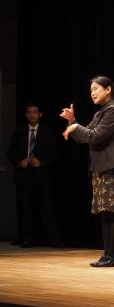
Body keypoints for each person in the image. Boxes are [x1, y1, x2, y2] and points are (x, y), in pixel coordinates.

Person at [60, 76, 114, 268]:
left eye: (96, 88)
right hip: (101, 168)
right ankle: (106, 254)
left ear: (108, 89)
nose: (92, 92)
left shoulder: (113, 111)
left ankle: (112, 255)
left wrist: (75, 126)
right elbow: (85, 136)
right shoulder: (101, 113)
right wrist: (73, 121)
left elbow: (95, 136)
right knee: (104, 212)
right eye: (91, 89)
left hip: (113, 167)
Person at [7, 102, 62, 247]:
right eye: (29, 112)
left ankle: (54, 239)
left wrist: (42, 161)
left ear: (40, 115)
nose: (32, 115)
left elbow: (54, 152)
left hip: (42, 175)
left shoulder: (47, 131)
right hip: (24, 175)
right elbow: (10, 152)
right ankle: (27, 238)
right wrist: (19, 162)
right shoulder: (19, 131)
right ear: (26, 115)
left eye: (35, 112)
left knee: (46, 208)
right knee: (26, 208)